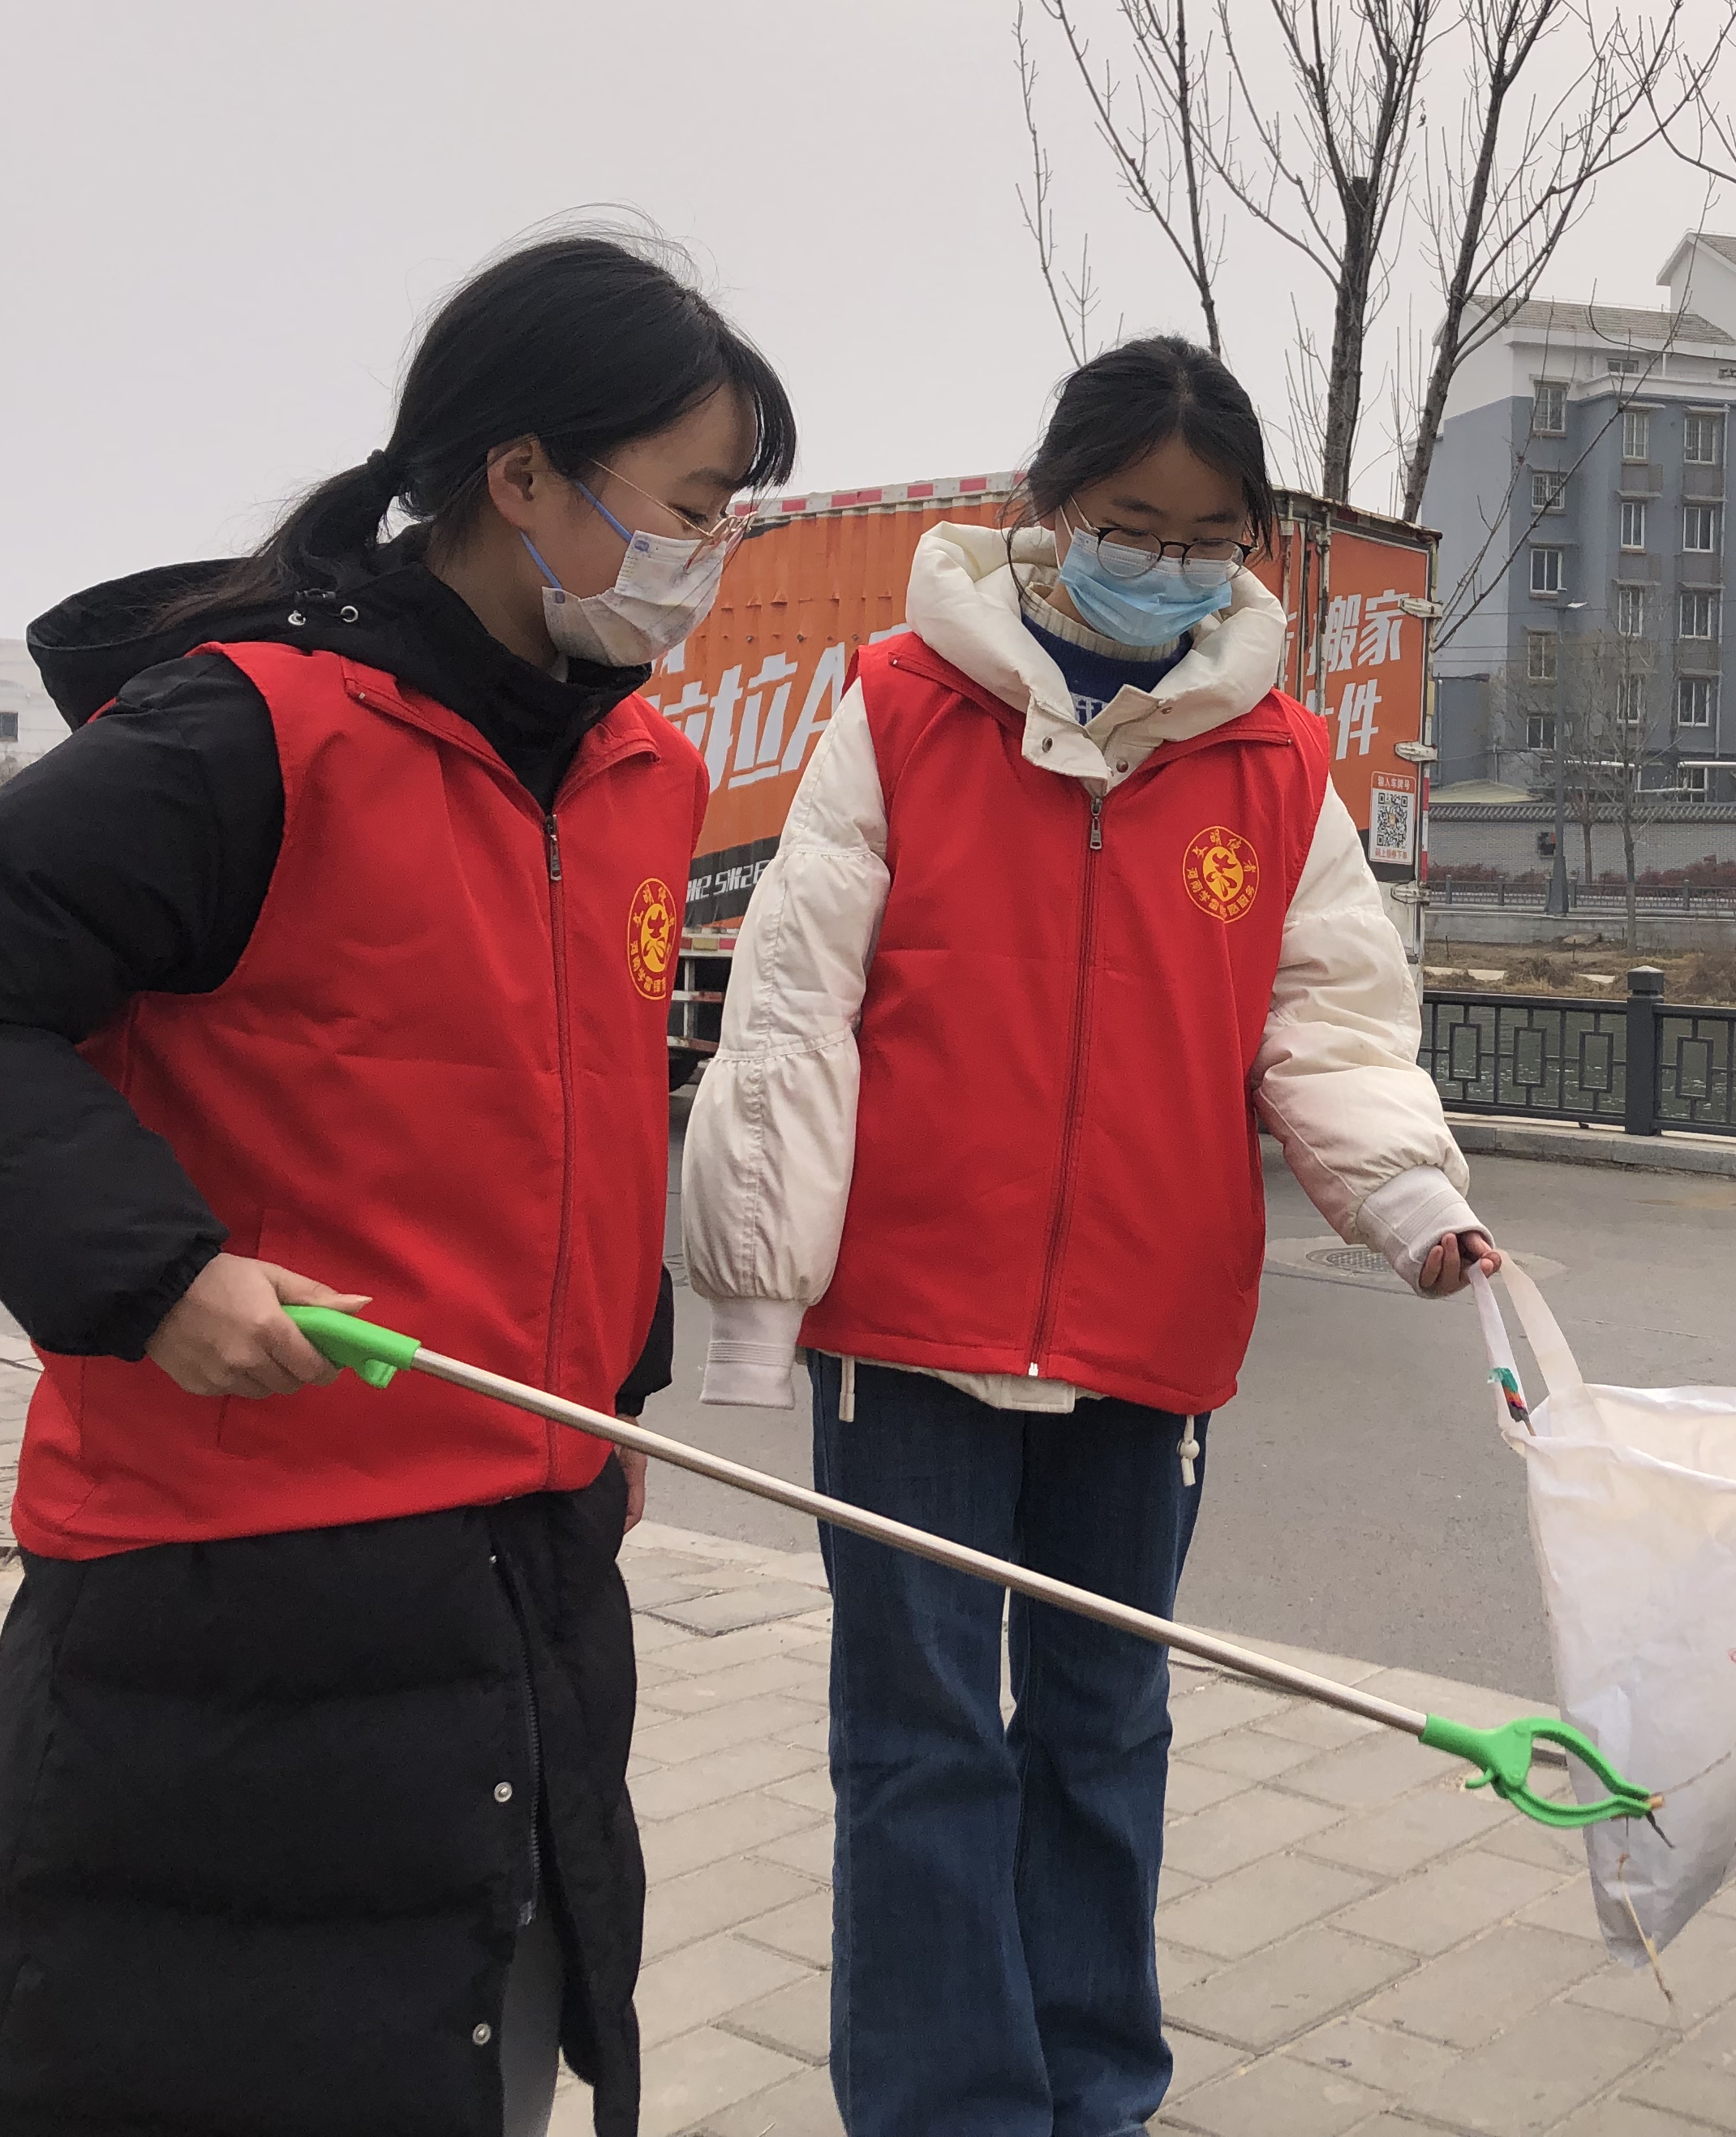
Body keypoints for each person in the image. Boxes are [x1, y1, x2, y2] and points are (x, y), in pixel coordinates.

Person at [0, 232, 796, 2137]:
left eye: (731, 517)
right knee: (217, 2055)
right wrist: (160, 1273)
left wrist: (620, 1389)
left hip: (523, 1553)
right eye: (686, 507)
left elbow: (589, 1110)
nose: (708, 559)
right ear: (520, 479)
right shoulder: (254, 733)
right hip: (236, 1575)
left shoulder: (639, 771)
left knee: (480, 2041)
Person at [677, 333, 1495, 2137]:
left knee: (1108, 1732)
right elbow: (797, 1013)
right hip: (910, 1331)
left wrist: (1414, 1201)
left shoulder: (1276, 761)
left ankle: (1096, 2093)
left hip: (1148, 1335)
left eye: (1214, 539)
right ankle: (945, 2108)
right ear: (1052, 512)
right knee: (921, 1747)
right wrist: (759, 1297)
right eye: (1137, 522)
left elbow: (1333, 1022)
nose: (1173, 562)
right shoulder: (898, 707)